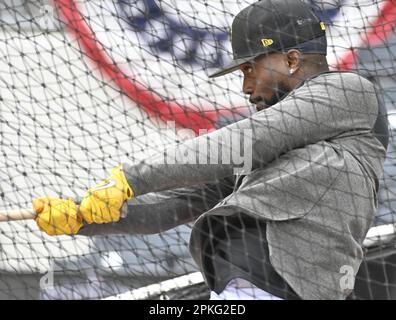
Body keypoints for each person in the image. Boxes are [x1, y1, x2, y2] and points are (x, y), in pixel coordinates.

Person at [32, 0, 388, 300]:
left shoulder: (348, 91)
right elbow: (177, 204)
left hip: (283, 288)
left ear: (292, 61)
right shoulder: (282, 141)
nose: (247, 87)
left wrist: (131, 178)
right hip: (238, 289)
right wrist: (82, 217)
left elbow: (248, 139)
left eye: (250, 69)